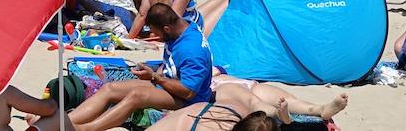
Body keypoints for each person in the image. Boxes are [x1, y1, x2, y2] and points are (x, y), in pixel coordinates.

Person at [65, 3, 212, 131]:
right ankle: (66, 122)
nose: (156, 37)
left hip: (190, 99)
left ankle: (87, 129)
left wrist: (155, 77)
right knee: (110, 88)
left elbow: (188, 92)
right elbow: (171, 63)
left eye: (157, 32)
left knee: (137, 96)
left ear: (166, 29)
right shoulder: (182, 26)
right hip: (169, 84)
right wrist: (154, 73)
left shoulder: (192, 50)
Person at [143, 79, 347, 131]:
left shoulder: (194, 113)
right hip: (239, 90)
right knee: (260, 103)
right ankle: (314, 111)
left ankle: (284, 115)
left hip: (226, 94)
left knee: (259, 105)